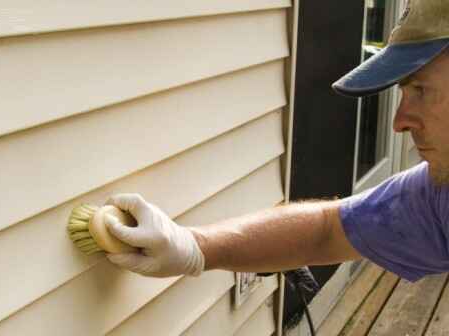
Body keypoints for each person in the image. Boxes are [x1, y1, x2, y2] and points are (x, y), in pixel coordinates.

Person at [103, 0, 449, 281]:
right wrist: (194, 247)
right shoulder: (436, 196)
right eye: (405, 92)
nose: (399, 122)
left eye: (420, 89)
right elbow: (328, 229)